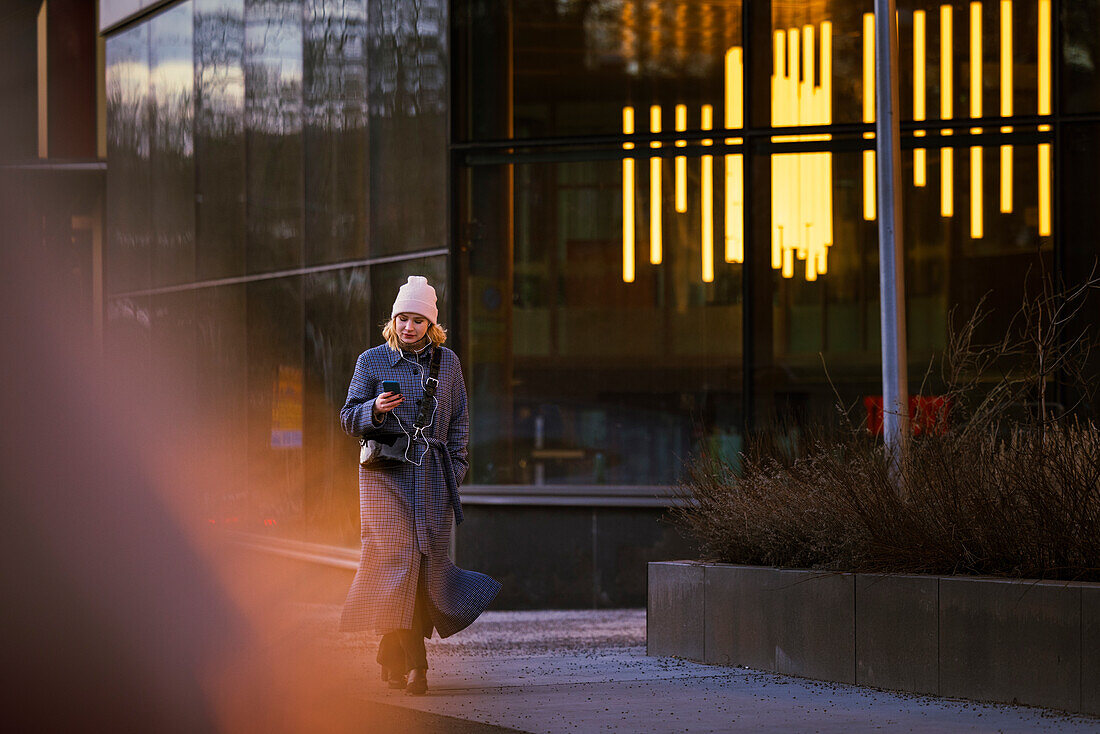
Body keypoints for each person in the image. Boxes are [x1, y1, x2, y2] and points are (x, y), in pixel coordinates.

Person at [339, 276, 501, 695]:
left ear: (431, 325)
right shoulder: (372, 361)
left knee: (424, 568)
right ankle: (418, 666)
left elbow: (461, 418)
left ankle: (389, 657)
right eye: (402, 318)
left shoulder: (448, 364)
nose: (409, 326)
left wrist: (457, 467)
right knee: (400, 559)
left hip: (432, 478)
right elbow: (346, 417)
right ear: (393, 320)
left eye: (417, 320)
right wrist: (373, 409)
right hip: (383, 477)